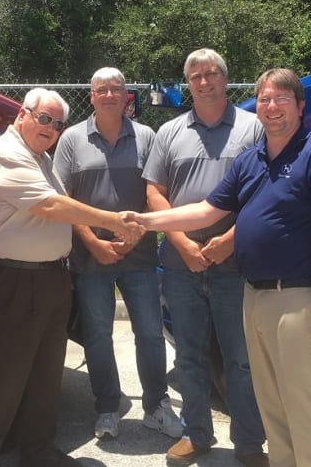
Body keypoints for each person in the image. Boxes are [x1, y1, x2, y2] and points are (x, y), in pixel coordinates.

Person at [131, 68, 311, 467]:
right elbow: (205, 211)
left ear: (300, 107)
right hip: (253, 294)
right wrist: (144, 221)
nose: (272, 107)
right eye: (265, 99)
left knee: (304, 408)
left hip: (296, 297)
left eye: (281, 99)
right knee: (273, 406)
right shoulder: (251, 160)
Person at [0, 88, 144, 467]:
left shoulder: (40, 157)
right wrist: (113, 221)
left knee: (44, 379)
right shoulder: (6, 155)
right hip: (7, 283)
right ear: (22, 114)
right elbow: (49, 205)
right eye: (43, 118)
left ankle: (38, 454)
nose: (50, 128)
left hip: (46, 281)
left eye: (58, 124)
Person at [141, 48, 268, 466]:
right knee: (189, 357)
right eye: (195, 76)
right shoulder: (169, 132)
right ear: (188, 84)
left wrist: (230, 239)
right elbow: (154, 193)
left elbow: (267, 191)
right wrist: (181, 243)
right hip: (181, 267)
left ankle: (249, 443)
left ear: (225, 78)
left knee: (241, 360)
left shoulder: (253, 127)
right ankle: (196, 435)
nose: (203, 81)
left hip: (236, 264)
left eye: (211, 73)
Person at [54, 67, 182, 441]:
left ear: (127, 96)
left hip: (140, 257)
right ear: (91, 96)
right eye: (101, 89)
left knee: (150, 334)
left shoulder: (146, 137)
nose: (109, 94)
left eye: (116, 89)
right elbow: (64, 200)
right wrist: (93, 242)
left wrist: (135, 235)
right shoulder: (71, 139)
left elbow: (155, 194)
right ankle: (107, 407)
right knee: (97, 335)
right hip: (90, 258)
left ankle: (156, 406)